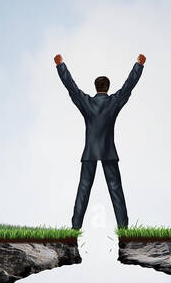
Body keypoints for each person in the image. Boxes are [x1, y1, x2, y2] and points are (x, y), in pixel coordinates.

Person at [54, 52, 145, 230]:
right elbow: (128, 86)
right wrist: (139, 65)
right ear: (107, 87)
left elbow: (71, 87)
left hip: (90, 152)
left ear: (95, 87)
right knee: (116, 190)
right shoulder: (114, 102)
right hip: (108, 151)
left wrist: (60, 66)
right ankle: (123, 228)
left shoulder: (87, 103)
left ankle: (75, 228)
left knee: (83, 190)